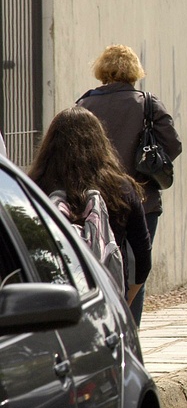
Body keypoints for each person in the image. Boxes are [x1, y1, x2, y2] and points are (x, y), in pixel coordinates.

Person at [78, 44, 182, 326]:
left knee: (97, 266)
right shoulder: (147, 103)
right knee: (136, 270)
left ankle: (102, 328)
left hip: (96, 203)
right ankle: (130, 332)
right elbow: (173, 145)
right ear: (134, 70)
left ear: (102, 70)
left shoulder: (84, 105)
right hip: (143, 200)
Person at [28, 106, 152, 306]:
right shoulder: (121, 189)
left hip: (50, 300)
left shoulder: (34, 188)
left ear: (49, 146)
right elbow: (142, 257)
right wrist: (124, 301)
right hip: (106, 294)